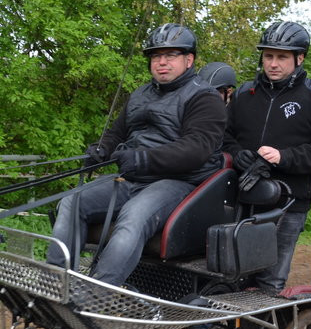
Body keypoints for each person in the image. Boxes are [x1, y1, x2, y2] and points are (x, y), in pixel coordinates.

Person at [47, 23, 226, 288]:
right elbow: (117, 133)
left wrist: (144, 158)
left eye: (171, 55)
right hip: (131, 179)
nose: (162, 62)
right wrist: (102, 150)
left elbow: (196, 149)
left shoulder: (204, 98)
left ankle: (97, 293)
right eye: (156, 56)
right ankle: (57, 283)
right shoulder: (141, 94)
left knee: (134, 216)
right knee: (72, 202)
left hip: (179, 182)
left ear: (189, 60)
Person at [223, 21, 311, 294]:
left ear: (299, 58)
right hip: (242, 197)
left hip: (290, 201)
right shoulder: (245, 93)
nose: (273, 64)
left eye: (282, 57)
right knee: (229, 274)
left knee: (269, 279)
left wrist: (285, 157)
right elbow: (225, 136)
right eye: (268, 56)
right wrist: (238, 155)